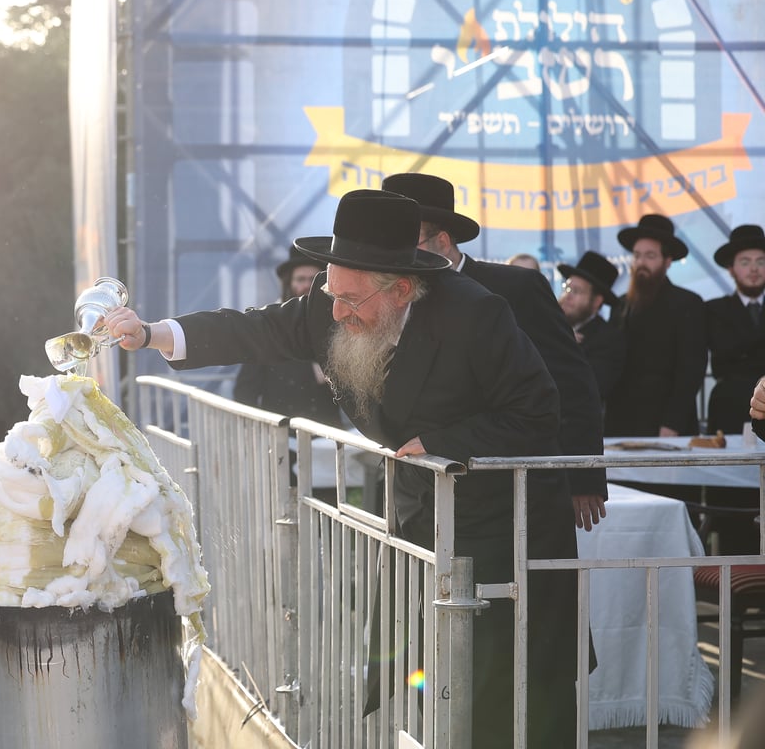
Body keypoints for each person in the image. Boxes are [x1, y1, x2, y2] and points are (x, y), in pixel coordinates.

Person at [104, 188, 579, 749]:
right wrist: (153, 332)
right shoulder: (331, 304)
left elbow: (538, 410)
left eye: (352, 300)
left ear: (402, 289)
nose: (336, 312)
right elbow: (252, 329)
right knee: (423, 667)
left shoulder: (476, 314)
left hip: (502, 524)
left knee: (496, 684)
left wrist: (442, 441)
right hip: (420, 515)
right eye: (332, 291)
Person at [382, 172, 608, 531]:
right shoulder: (392, 294)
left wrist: (583, 476)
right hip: (423, 494)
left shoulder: (514, 287)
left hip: (509, 489)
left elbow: (572, 383)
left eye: (408, 241)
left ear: (442, 240)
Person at [604, 214, 707, 437]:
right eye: (637, 256)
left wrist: (673, 423)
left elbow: (691, 369)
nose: (641, 263)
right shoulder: (621, 304)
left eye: (650, 256)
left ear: (667, 261)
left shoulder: (688, 303)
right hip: (621, 423)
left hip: (665, 425)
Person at [232, 245, 344, 425]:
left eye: (313, 279)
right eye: (300, 279)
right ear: (289, 283)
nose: (307, 285)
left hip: (328, 438)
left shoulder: (339, 324)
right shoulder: (268, 327)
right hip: (282, 439)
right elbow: (245, 391)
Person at [706, 225, 765, 435]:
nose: (754, 269)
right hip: (727, 407)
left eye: (760, 261)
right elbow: (722, 354)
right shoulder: (713, 309)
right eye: (745, 262)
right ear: (731, 269)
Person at [557, 251, 626, 401]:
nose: (567, 296)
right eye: (566, 288)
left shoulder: (609, 340)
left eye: (576, 291)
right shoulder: (550, 328)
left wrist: (565, 346)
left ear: (596, 302)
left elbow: (589, 389)